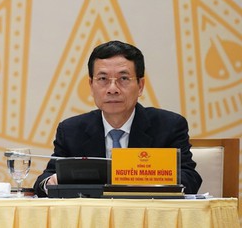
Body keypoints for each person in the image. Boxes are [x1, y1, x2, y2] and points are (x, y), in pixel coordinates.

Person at [33, 40, 202, 196]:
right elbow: (43, 182)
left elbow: (190, 178)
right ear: (91, 85)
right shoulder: (71, 130)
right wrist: (50, 183)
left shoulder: (169, 126)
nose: (112, 89)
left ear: (140, 86)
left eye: (123, 79)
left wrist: (149, 181)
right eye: (103, 79)